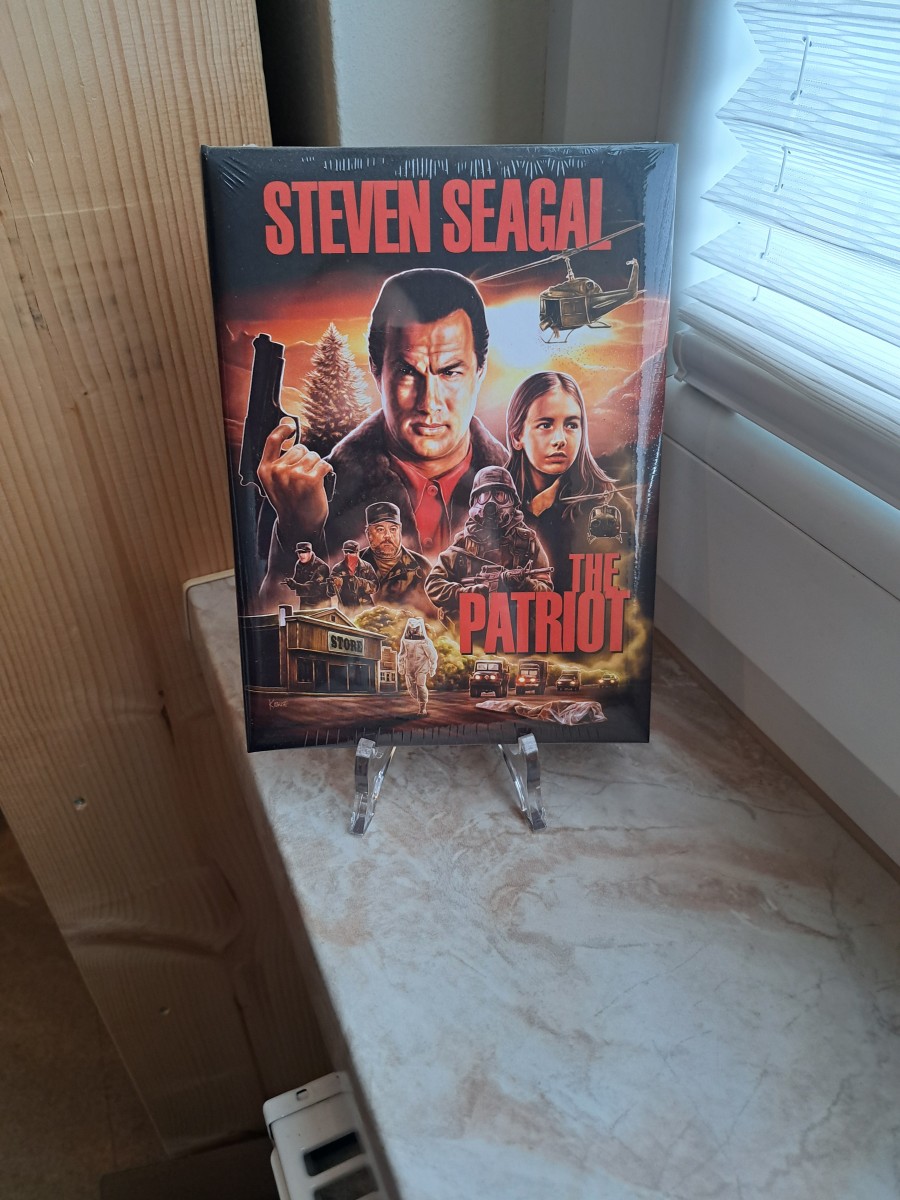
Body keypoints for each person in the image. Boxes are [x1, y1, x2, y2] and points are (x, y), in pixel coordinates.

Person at [258, 269, 507, 598]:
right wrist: (299, 531)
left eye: (450, 372)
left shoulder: (528, 491)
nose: (429, 402)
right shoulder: (312, 497)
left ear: (480, 372)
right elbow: (275, 619)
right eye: (407, 371)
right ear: (377, 371)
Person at [505, 371, 633, 592]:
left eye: (571, 425)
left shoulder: (610, 507)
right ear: (517, 436)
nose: (560, 440)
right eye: (545, 425)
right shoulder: (488, 502)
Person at [424, 466, 552, 621]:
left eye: (499, 495)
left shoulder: (526, 542)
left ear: (513, 502)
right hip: (469, 629)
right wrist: (466, 594)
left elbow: (546, 592)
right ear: (474, 503)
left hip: (515, 627)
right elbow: (433, 585)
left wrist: (524, 584)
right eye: (484, 496)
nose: (491, 503)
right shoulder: (464, 544)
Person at [359, 502, 435, 615]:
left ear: (400, 531)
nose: (388, 535)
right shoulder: (353, 564)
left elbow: (436, 613)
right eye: (380, 529)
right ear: (368, 534)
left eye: (393, 529)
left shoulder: (422, 567)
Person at [397, 616, 438, 717]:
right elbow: (401, 654)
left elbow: (433, 655)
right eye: (411, 629)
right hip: (409, 667)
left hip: (421, 667)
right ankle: (419, 698)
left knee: (420, 685)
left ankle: (422, 708)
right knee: (411, 688)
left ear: (419, 629)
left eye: (415, 629)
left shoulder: (425, 641)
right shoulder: (405, 641)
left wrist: (433, 667)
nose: (413, 631)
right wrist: (401, 666)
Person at [280, 541, 333, 608]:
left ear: (310, 552)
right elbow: (297, 581)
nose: (301, 555)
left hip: (321, 606)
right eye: (299, 552)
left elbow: (313, 587)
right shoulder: (299, 564)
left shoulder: (321, 567)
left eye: (304, 552)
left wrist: (295, 585)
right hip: (305, 604)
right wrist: (291, 583)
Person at [329, 540, 378, 611]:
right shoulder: (337, 568)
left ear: (357, 552)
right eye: (346, 552)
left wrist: (359, 582)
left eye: (351, 552)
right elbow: (330, 593)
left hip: (365, 609)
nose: (348, 554)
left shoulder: (366, 566)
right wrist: (336, 586)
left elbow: (375, 587)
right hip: (346, 610)